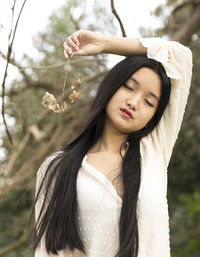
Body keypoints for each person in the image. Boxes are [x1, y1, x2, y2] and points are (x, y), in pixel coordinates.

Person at [33, 30, 193, 257]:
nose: (134, 102)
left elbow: (180, 57)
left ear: (153, 118)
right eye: (129, 87)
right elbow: (48, 252)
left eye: (148, 102)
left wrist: (104, 43)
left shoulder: (154, 150)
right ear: (111, 85)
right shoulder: (57, 168)